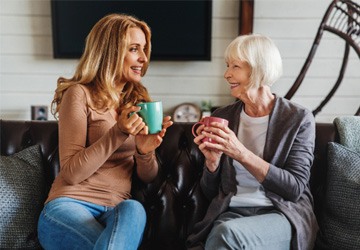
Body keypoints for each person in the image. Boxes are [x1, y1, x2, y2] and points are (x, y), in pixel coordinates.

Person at [37, 13, 173, 250]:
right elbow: (71, 173)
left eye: (143, 49)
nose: (143, 58)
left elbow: (149, 177)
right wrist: (118, 132)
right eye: (134, 49)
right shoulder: (79, 94)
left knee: (134, 208)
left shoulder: (138, 102)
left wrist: (144, 152)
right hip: (70, 205)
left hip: (118, 211)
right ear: (110, 51)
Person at [187, 34, 318, 250]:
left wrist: (241, 153)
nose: (226, 74)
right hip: (231, 214)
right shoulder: (224, 115)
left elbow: (293, 188)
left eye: (235, 66)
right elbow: (211, 192)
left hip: (280, 215)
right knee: (220, 236)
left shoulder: (298, 119)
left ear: (258, 69)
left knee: (226, 236)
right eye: (227, 66)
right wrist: (212, 164)